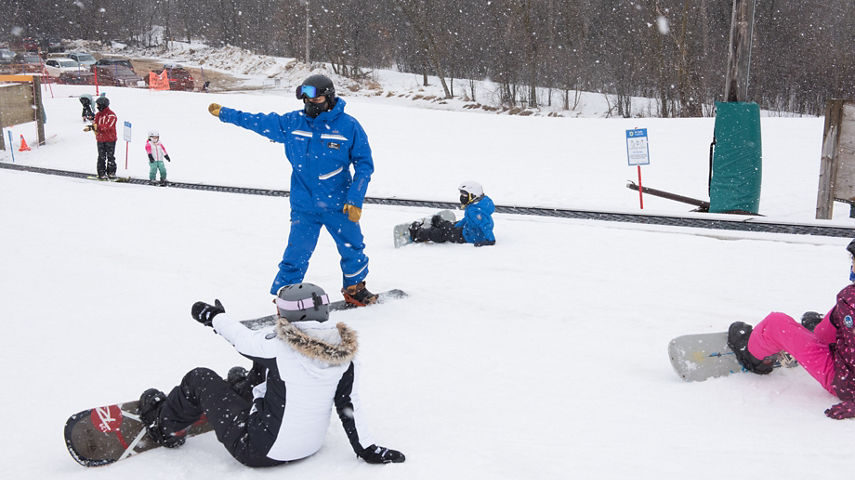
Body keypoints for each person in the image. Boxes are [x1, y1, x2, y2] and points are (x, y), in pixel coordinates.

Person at [137, 282, 406, 467]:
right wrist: (366, 449)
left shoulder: (279, 346)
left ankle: (164, 428)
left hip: (259, 450)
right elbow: (349, 405)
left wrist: (214, 317)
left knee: (200, 378)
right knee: (264, 368)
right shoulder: (344, 353)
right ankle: (243, 390)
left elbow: (242, 339)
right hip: (309, 446)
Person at [207, 74, 378, 306]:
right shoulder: (293, 123)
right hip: (303, 206)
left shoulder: (349, 127)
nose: (309, 104)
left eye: (315, 99)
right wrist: (226, 114)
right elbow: (257, 121)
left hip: (339, 205)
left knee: (353, 248)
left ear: (329, 98)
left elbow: (364, 165)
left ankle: (354, 289)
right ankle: (286, 296)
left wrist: (355, 198)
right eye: (305, 99)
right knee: (296, 253)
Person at [727, 238, 855, 420]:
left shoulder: (850, 300)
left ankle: (753, 356)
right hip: (846, 360)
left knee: (776, 323)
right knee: (838, 313)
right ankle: (817, 334)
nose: (851, 265)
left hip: (844, 380)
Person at [409, 181, 496, 247]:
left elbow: (485, 226)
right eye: (461, 194)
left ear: (473, 195)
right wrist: (458, 225)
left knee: (443, 234)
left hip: (470, 236)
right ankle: (443, 224)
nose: (462, 197)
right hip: (470, 229)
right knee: (452, 227)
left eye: (465, 195)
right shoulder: (479, 205)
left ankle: (419, 234)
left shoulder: (475, 211)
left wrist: (490, 240)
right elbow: (468, 218)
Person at [83, 95, 117, 180]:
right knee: (101, 156)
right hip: (100, 139)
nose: (97, 107)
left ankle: (111, 172)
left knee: (110, 156)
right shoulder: (98, 115)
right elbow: (96, 124)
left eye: (98, 105)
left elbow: (108, 126)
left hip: (110, 139)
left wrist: (96, 127)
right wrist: (92, 127)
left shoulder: (111, 115)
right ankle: (101, 173)